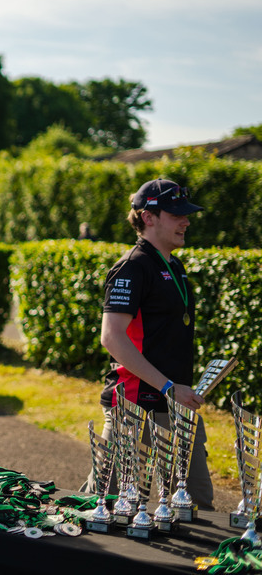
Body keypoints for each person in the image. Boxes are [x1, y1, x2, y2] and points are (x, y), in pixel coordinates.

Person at [83, 178, 212, 508]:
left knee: (196, 506)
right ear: (148, 217)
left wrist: (176, 390)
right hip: (134, 406)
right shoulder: (132, 267)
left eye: (187, 214)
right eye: (176, 214)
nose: (186, 221)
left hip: (176, 402)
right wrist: (169, 387)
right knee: (107, 506)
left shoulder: (175, 265)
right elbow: (112, 337)